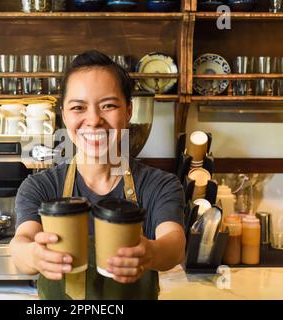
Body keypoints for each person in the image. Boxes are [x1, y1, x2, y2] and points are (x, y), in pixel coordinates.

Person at [10, 50, 186, 300]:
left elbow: (174, 244)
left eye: (108, 106)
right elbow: (21, 244)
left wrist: (151, 253)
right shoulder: (40, 187)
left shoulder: (159, 185)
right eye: (78, 107)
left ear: (128, 111)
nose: (93, 120)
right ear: (64, 115)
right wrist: (33, 255)